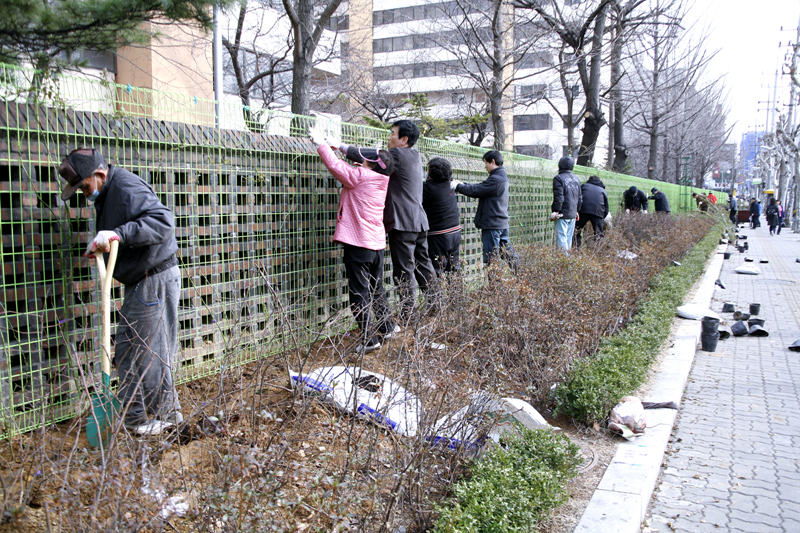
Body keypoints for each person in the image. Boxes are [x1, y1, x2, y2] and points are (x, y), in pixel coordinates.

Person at [59, 148, 182, 436]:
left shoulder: (125, 187)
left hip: (154, 277)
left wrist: (120, 234)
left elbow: (163, 222)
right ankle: (137, 420)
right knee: (129, 349)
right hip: (141, 280)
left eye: (84, 186)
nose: (83, 193)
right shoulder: (109, 191)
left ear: (99, 174)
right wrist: (105, 243)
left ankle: (166, 419)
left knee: (149, 351)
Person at [311, 131, 398, 354]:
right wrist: (338, 146)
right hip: (377, 244)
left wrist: (322, 145)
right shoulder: (381, 178)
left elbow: (336, 167)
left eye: (366, 160)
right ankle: (387, 327)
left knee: (358, 293)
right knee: (376, 287)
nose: (361, 161)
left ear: (371, 165)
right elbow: (355, 163)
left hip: (358, 244)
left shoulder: (361, 176)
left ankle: (369, 339)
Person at [339, 120, 435, 319]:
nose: (389, 137)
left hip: (403, 222)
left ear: (404, 139)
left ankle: (409, 315)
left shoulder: (398, 154)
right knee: (423, 263)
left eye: (392, 133)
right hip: (419, 220)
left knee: (404, 270)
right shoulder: (416, 155)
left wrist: (338, 145)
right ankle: (437, 303)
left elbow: (370, 155)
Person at [450, 150, 519, 269]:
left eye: (486, 163)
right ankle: (522, 276)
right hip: (500, 222)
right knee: (508, 253)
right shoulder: (501, 176)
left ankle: (495, 285)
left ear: (493, 161)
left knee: (491, 258)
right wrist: (462, 184)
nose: (485, 166)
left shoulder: (496, 179)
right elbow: (481, 187)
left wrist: (459, 186)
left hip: (492, 224)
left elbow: (477, 190)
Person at [422, 157, 461, 275]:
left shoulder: (428, 189)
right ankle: (456, 293)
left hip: (439, 235)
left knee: (437, 269)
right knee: (454, 268)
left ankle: (437, 294)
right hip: (455, 232)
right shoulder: (450, 185)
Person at [548, 156, 582, 253]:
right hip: (572, 213)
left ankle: (562, 263)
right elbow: (579, 197)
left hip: (562, 214)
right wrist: (577, 211)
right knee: (568, 239)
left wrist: (556, 211)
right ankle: (567, 262)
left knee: (561, 239)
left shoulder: (558, 178)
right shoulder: (576, 179)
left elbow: (559, 197)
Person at [575, 175, 608, 248]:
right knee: (599, 234)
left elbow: (577, 198)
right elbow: (606, 207)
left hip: (583, 211)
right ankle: (599, 252)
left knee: (576, 231)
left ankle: (575, 249)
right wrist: (601, 218)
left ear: (589, 180)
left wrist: (577, 211)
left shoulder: (583, 186)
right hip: (597, 212)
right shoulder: (602, 190)